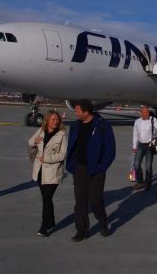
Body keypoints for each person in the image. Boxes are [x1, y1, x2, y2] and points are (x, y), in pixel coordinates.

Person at [66, 100, 116, 242]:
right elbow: (72, 145)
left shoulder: (102, 126)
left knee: (95, 200)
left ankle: (102, 221)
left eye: (77, 111)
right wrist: (73, 164)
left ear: (86, 112)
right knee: (80, 201)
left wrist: (102, 166)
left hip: (96, 170)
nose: (75, 113)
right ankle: (82, 230)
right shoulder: (75, 126)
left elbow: (110, 149)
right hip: (79, 168)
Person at [27, 110, 68, 237]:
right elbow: (30, 142)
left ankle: (45, 226)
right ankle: (51, 222)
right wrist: (35, 141)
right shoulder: (41, 131)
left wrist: (48, 159)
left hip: (52, 172)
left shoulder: (62, 135)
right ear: (47, 121)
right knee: (47, 199)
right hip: (40, 171)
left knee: (46, 199)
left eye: (57, 120)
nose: (55, 122)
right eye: (53, 119)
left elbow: (63, 154)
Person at [132, 105, 157, 191]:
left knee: (148, 166)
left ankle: (148, 183)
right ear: (141, 113)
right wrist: (134, 146)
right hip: (141, 145)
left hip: (150, 146)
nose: (148, 113)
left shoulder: (153, 120)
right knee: (136, 164)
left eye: (148, 111)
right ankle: (140, 182)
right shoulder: (137, 122)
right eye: (145, 112)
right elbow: (135, 135)